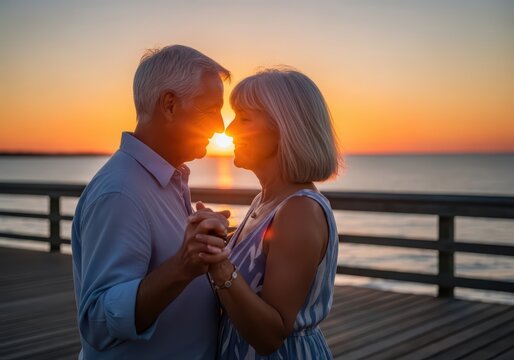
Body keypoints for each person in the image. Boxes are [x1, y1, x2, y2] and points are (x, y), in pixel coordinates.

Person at [71, 45, 232, 359]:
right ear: (170, 105)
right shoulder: (120, 193)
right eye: (210, 109)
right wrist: (181, 267)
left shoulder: (165, 180)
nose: (220, 126)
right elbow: (97, 323)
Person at [194, 67, 340, 359]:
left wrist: (218, 264)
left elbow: (271, 335)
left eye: (244, 119)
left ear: (286, 128)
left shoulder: (299, 210)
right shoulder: (265, 200)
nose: (229, 130)